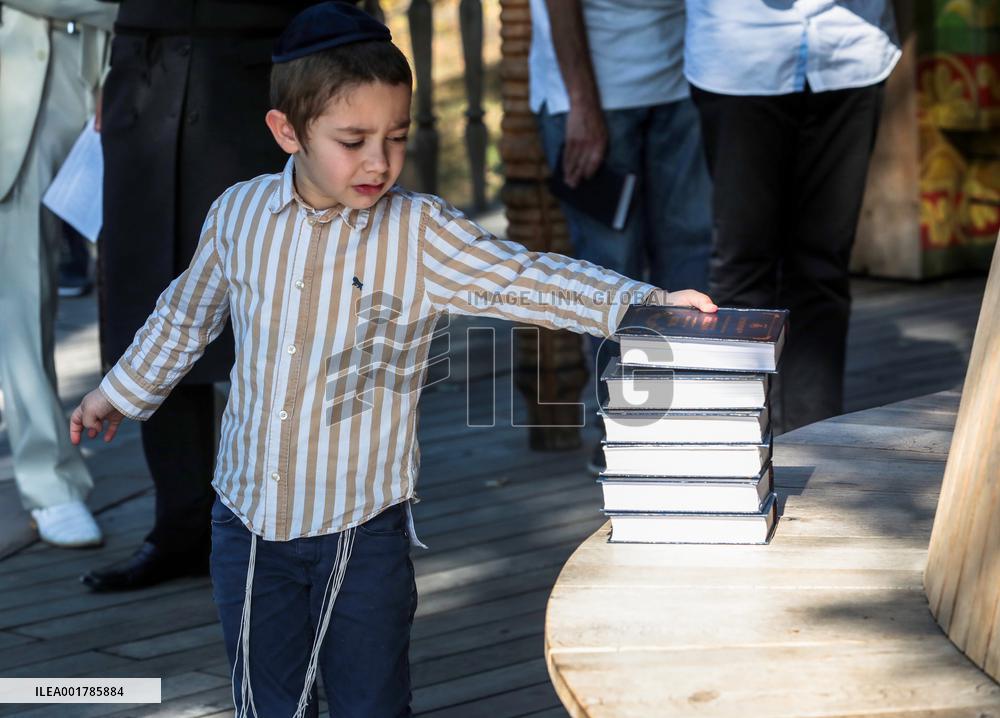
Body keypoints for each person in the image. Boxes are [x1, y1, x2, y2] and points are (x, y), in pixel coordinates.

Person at [69, 4, 717, 714]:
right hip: (247, 525)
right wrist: (118, 392)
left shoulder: (418, 232)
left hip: (360, 529)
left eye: (397, 137)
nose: (378, 161)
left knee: (370, 702)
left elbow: (528, 278)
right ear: (287, 131)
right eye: (353, 141)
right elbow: (184, 315)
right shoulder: (238, 214)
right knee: (267, 701)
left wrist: (644, 305)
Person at [82, 0, 316, 592]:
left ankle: (292, 527)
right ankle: (181, 527)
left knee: (272, 298)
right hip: (144, 72)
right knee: (150, 290)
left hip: (259, 75)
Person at [685, 1, 900, 433]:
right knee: (742, 268)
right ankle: (736, 443)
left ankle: (818, 436)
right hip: (740, 59)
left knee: (823, 264)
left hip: (848, 55)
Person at [529, 0, 712, 471]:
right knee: (612, 271)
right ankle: (628, 430)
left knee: (692, 252)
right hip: (594, 98)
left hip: (684, 81)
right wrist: (582, 104)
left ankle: (695, 422)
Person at [0, 1, 116, 547]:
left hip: (127, 67)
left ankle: (200, 477)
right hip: (20, 80)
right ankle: (50, 483)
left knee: (171, 276)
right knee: (23, 296)